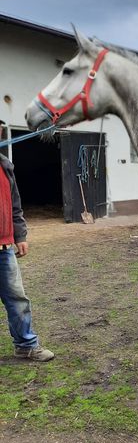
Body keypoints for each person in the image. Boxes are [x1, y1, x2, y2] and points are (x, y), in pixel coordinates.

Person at [0, 152, 54, 361]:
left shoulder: (5, 166)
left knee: (17, 299)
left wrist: (20, 235)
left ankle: (25, 345)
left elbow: (15, 205)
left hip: (4, 249)